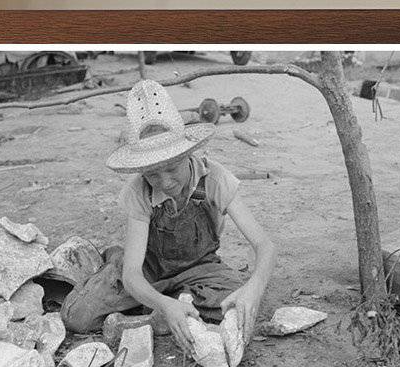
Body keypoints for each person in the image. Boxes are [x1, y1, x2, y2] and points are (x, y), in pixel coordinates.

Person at [61, 79, 276, 351]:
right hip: (148, 270)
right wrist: (164, 304)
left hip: (201, 268)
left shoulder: (215, 179)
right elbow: (132, 275)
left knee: (241, 307)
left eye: (172, 169)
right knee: (77, 317)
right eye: (152, 173)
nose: (165, 182)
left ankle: (173, 303)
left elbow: (264, 246)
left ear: (188, 153)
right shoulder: (138, 192)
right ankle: (163, 300)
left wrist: (253, 289)